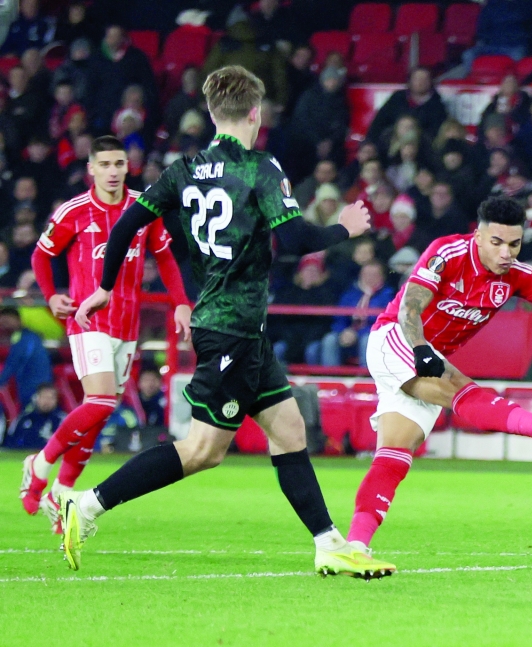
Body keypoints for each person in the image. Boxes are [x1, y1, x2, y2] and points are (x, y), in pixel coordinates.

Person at [67, 66, 391, 579]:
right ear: (256, 113)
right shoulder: (260, 168)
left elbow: (127, 222)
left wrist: (104, 286)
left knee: (288, 428)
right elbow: (296, 241)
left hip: (237, 328)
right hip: (231, 329)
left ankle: (329, 543)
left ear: (215, 113)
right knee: (202, 451)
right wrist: (343, 228)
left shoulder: (185, 168)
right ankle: (86, 505)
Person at [347, 195, 532, 554]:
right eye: (496, 242)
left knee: (395, 455)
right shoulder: (446, 253)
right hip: (398, 338)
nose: (505, 253)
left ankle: (355, 546)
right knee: (458, 387)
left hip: (430, 356)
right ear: (478, 236)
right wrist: (419, 348)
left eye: (514, 244)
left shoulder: (519, 276)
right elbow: (410, 305)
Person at [20, 136, 190, 530]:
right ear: (91, 169)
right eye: (106, 165)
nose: (113, 172)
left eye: (119, 164)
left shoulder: (143, 207)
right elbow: (41, 255)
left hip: (127, 326)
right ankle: (40, 463)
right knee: (99, 402)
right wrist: (50, 297)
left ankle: (61, 495)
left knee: (97, 418)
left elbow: (163, 255)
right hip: (88, 319)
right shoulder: (74, 211)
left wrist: (181, 300)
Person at [320, 262, 396, 367]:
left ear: (382, 277)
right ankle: (331, 379)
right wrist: (343, 331)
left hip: (370, 334)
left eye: (374, 275)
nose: (369, 278)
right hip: (348, 333)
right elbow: (339, 318)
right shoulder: (350, 293)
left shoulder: (388, 295)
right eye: (366, 274)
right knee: (330, 340)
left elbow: (384, 323)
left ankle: (366, 379)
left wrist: (357, 333)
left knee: (367, 340)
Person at [0, 307, 53, 411]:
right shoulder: (30, 337)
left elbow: (12, 365)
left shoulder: (26, 340)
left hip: (34, 390)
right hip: (35, 388)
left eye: (7, 321)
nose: (4, 326)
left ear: (18, 320)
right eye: (2, 323)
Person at [2, 384, 65, 450]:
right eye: (44, 397)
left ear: (56, 401)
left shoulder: (62, 420)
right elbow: (8, 442)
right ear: (36, 398)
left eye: (51, 398)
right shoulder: (23, 418)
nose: (47, 401)